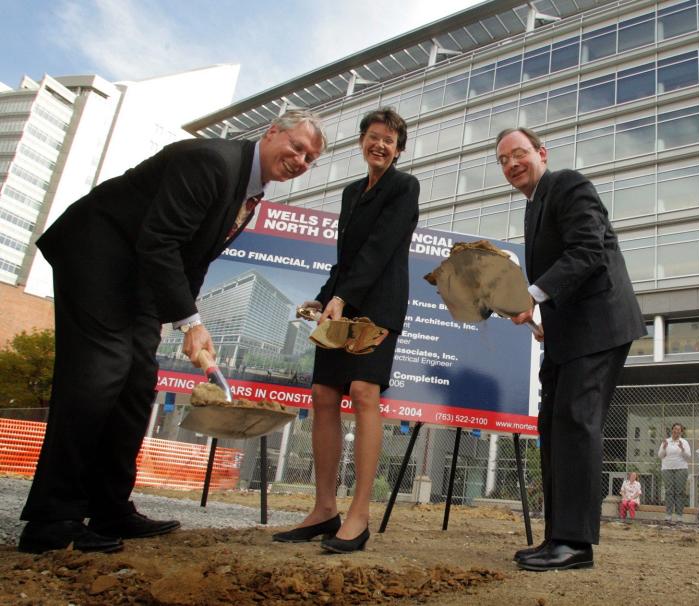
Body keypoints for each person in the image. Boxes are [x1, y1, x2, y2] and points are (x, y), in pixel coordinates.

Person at [17, 110, 325, 554]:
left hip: (139, 276)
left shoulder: (249, 196)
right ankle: (52, 519)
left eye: (310, 158)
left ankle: (110, 508)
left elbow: (192, 261)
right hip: (98, 256)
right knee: (99, 375)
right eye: (297, 147)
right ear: (272, 132)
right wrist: (191, 321)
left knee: (137, 383)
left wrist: (187, 321)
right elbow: (159, 239)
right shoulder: (213, 162)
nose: (301, 160)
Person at [497, 127, 644, 572]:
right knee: (553, 426)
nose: (511, 164)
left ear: (542, 153)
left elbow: (588, 250)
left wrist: (534, 296)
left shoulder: (568, 184)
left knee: (577, 423)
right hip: (565, 332)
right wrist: (541, 314)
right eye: (503, 160)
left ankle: (576, 544)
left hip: (599, 325)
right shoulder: (532, 209)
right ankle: (557, 535)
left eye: (519, 153)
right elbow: (559, 272)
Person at [271, 109, 419, 554]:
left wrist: (344, 296)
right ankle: (323, 509)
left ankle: (359, 515)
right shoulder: (351, 192)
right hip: (343, 302)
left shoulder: (404, 187)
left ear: (398, 149)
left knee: (363, 391)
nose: (380, 145)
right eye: (373, 137)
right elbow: (346, 256)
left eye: (389, 141)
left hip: (379, 305)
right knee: (323, 394)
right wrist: (325, 296)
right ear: (361, 141)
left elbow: (379, 249)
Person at [659, 423, 691, 524]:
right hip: (667, 469)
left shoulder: (684, 442)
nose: (676, 431)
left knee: (679, 492)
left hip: (681, 469)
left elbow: (688, 456)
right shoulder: (666, 441)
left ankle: (679, 515)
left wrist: (682, 448)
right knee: (669, 492)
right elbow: (660, 455)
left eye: (679, 429)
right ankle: (668, 515)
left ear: (681, 432)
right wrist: (664, 447)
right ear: (672, 430)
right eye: (675, 429)